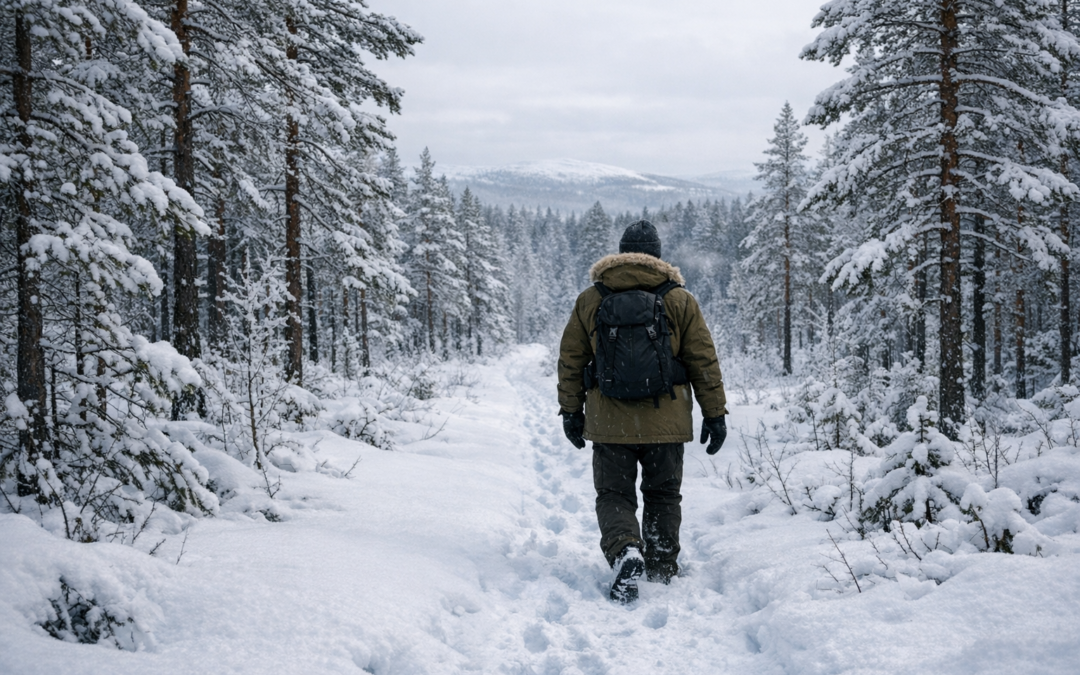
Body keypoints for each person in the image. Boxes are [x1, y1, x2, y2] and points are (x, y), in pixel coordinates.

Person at [557, 220, 728, 603]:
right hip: (666, 421)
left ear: (620, 253)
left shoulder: (592, 298)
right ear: (658, 255)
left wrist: (570, 411)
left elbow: (570, 360)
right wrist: (714, 414)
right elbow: (703, 360)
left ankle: (625, 550)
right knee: (664, 494)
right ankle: (662, 568)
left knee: (614, 494)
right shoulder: (680, 299)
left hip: (609, 422)